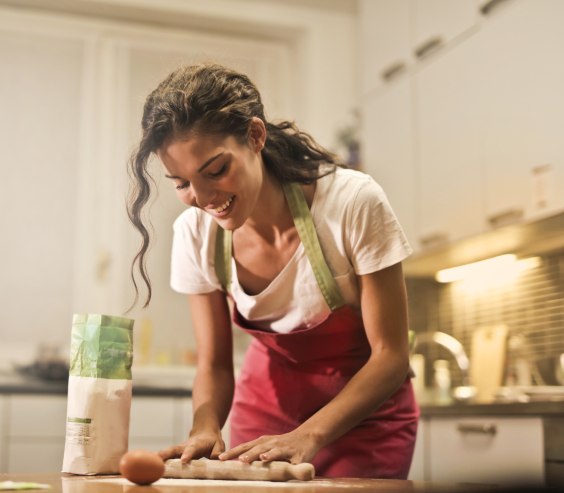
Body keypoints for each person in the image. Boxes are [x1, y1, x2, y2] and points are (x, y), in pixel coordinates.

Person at [127, 63, 418, 479]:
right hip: (263, 420)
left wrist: (309, 435)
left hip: (365, 423)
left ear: (255, 136)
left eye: (215, 171)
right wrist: (205, 427)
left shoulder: (351, 204)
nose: (204, 197)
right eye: (182, 183)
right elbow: (213, 364)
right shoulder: (195, 234)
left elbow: (391, 356)